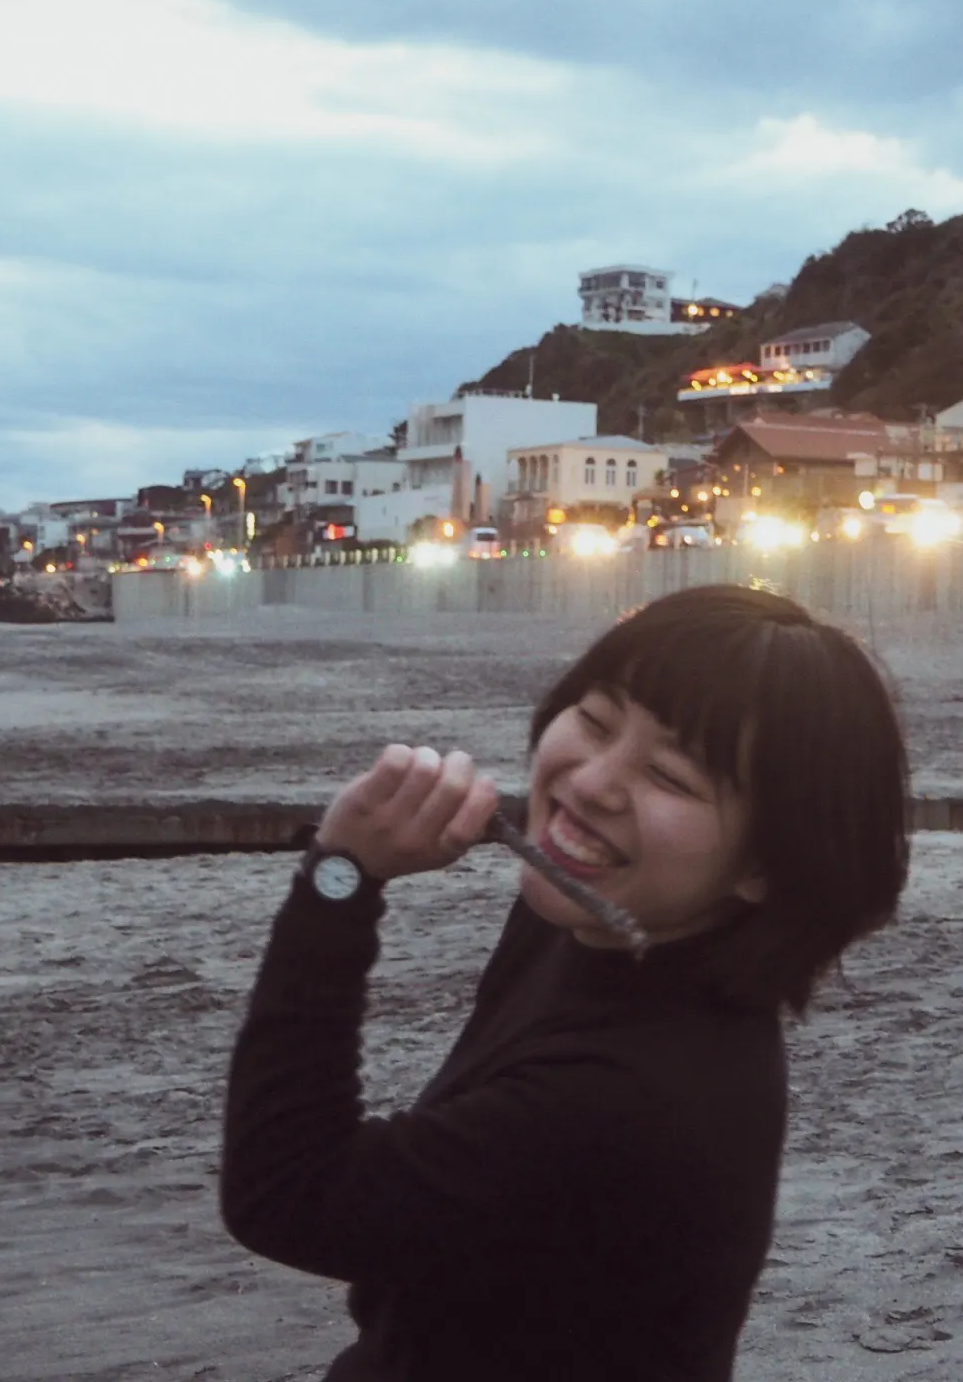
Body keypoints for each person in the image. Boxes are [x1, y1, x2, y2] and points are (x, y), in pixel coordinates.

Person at [219, 584, 909, 1380]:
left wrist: (340, 880)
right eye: (596, 719)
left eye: (672, 777)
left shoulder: (634, 1097)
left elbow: (288, 1192)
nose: (591, 783)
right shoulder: (589, 920)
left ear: (766, 864)